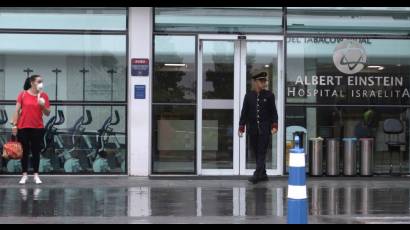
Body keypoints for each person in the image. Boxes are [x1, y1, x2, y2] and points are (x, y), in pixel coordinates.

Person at [239, 72, 278, 184]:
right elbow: (244, 112)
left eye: (265, 81)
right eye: (261, 81)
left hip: (265, 129)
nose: (264, 83)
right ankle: (263, 174)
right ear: (255, 82)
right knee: (256, 152)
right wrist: (241, 127)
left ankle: (256, 175)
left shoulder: (269, 95)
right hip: (253, 129)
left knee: (261, 151)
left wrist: (274, 125)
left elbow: (273, 112)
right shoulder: (248, 96)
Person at [11, 75, 51, 185]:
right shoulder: (22, 94)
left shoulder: (44, 96)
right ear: (32, 82)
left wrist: (42, 105)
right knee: (24, 152)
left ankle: (36, 175)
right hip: (23, 127)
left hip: (37, 128)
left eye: (41, 81)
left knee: (36, 152)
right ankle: (24, 175)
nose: (41, 83)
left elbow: (47, 113)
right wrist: (14, 125)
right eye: (39, 81)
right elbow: (17, 111)